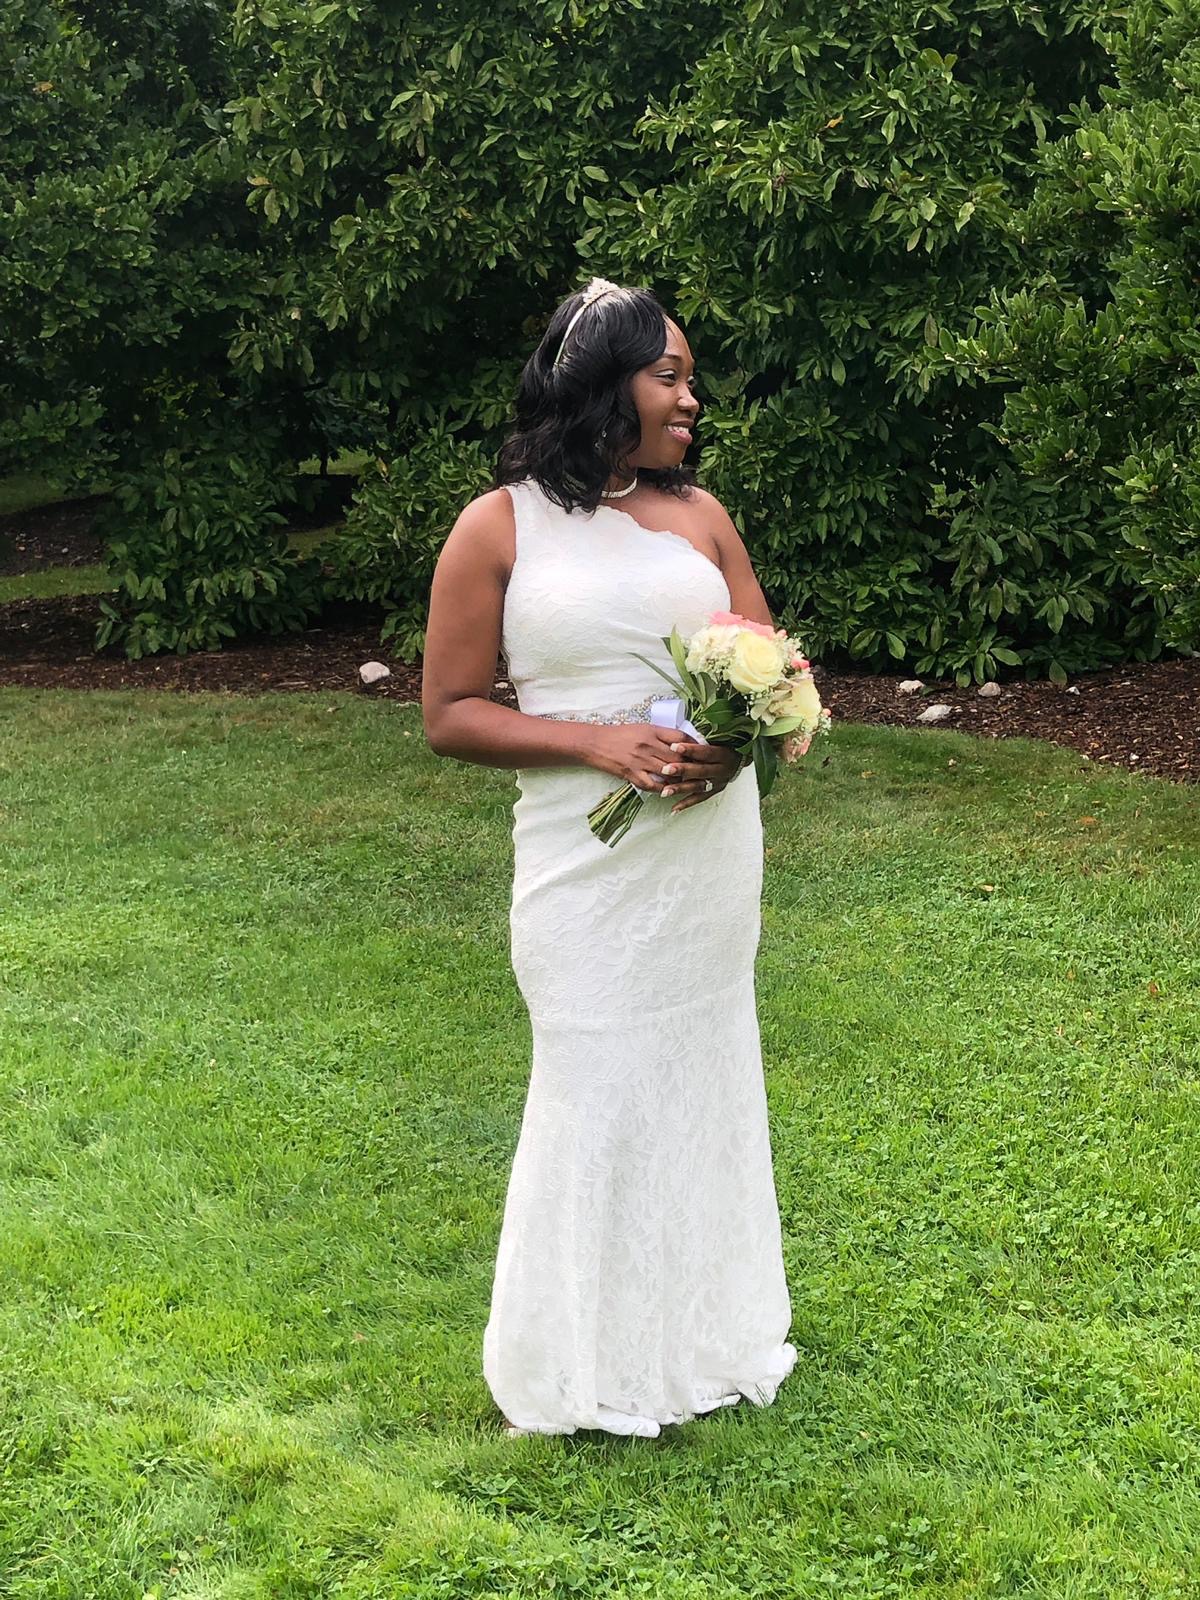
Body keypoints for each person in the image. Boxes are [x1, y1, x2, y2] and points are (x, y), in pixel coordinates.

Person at [422, 276, 797, 1438]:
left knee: (699, 1079)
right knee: (594, 1085)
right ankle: (573, 1362)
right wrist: (598, 741)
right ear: (602, 389)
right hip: (584, 874)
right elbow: (449, 710)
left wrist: (732, 754)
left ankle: (704, 1334)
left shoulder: (704, 516)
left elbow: (776, 672)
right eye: (670, 375)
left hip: (704, 862)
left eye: (690, 376)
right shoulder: (499, 526)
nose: (693, 397)